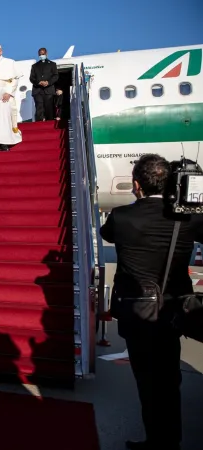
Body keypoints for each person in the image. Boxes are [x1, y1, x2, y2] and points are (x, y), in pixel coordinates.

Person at [100, 154, 203, 450]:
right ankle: (169, 440)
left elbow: (107, 232)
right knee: (170, 380)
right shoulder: (189, 220)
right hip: (174, 312)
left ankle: (157, 440)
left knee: (147, 381)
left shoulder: (122, 217)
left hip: (138, 312)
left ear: (136, 185)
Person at [29, 47, 59, 122]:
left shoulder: (52, 64)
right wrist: (39, 82)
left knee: (49, 109)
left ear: (46, 54)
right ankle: (39, 126)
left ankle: (50, 125)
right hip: (38, 90)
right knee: (39, 108)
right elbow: (32, 78)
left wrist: (48, 82)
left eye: (43, 54)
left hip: (49, 90)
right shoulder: (34, 66)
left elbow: (56, 76)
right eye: (40, 54)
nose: (41, 55)